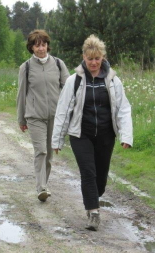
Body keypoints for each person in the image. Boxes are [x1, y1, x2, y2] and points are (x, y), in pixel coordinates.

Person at [52, 34, 133, 231]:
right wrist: (57, 140)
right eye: (90, 59)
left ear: (103, 58)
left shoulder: (113, 81)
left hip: (106, 135)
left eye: (97, 59)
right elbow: (63, 111)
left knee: (101, 178)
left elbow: (123, 109)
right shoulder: (75, 81)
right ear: (84, 58)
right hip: (81, 134)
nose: (94, 63)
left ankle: (94, 198)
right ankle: (93, 212)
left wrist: (126, 136)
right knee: (88, 172)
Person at [16, 29, 70, 202]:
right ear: (31, 48)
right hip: (35, 116)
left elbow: (69, 89)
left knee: (49, 153)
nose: (41, 48)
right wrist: (21, 118)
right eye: (37, 45)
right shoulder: (26, 67)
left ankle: (44, 184)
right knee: (41, 151)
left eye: (43, 44)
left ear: (48, 45)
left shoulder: (58, 64)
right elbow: (21, 94)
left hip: (55, 116)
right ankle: (41, 188)